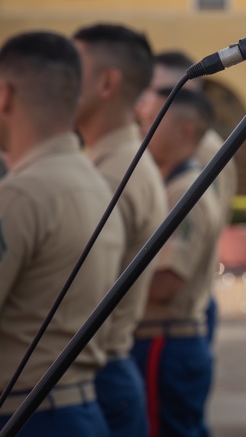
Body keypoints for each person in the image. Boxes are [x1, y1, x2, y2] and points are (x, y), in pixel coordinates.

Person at [0, 31, 124, 436]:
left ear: (5, 94)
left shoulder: (21, 195)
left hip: (26, 413)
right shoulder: (96, 184)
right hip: (75, 404)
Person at [73, 23, 170, 437]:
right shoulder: (112, 162)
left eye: (72, 67)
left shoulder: (116, 174)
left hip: (97, 374)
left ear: (107, 83)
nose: (58, 78)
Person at [131, 87, 224, 437]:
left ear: (185, 130)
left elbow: (166, 283)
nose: (143, 125)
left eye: (154, 118)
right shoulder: (176, 184)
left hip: (164, 342)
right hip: (167, 341)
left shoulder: (185, 192)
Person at [136, 49, 237, 345]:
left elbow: (192, 230)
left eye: (161, 91)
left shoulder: (202, 151)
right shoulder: (175, 145)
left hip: (181, 304)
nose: (147, 103)